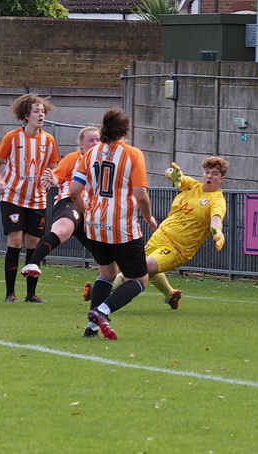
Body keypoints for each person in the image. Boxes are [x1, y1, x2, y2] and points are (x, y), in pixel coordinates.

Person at [69, 108, 158, 339]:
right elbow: (140, 195)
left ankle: (91, 328)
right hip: (122, 226)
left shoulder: (90, 153)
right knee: (139, 279)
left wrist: (88, 210)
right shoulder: (132, 154)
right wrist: (148, 217)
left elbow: (74, 191)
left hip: (94, 224)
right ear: (125, 130)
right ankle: (102, 311)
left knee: (106, 274)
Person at [110, 157, 229, 309]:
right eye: (207, 172)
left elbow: (216, 219)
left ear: (222, 179)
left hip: (177, 248)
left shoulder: (217, 200)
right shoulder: (192, 186)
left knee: (141, 267)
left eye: (215, 174)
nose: (209, 176)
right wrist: (172, 173)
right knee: (144, 268)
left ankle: (101, 292)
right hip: (159, 237)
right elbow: (170, 173)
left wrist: (217, 232)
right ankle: (171, 295)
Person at [20, 126, 100, 301]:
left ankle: (99, 292)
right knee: (62, 231)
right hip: (70, 202)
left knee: (106, 256)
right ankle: (33, 264)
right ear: (81, 144)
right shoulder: (74, 158)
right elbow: (58, 177)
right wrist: (52, 179)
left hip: (94, 212)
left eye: (98, 140)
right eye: (91, 140)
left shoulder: (104, 162)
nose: (95, 143)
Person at [0, 94, 59, 303]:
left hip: (37, 199)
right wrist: (0, 180)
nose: (41, 115)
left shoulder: (48, 140)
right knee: (15, 240)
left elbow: (53, 167)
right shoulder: (12, 137)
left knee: (34, 243)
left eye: (43, 111)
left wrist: (52, 178)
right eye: (37, 111)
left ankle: (31, 293)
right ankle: (10, 293)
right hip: (12, 197)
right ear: (26, 115)